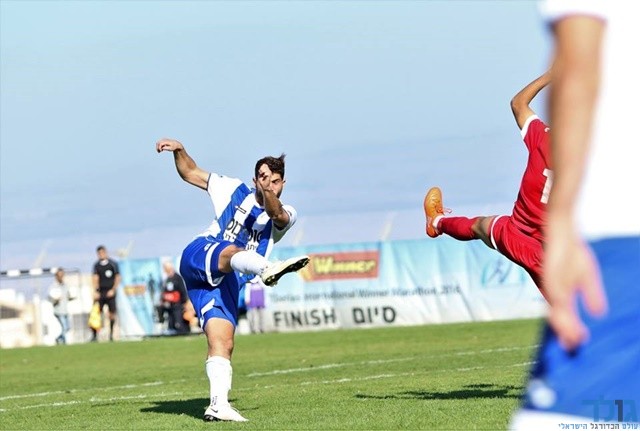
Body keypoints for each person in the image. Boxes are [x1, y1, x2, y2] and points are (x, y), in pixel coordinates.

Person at [510, 3, 640, 428]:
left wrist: (564, 224)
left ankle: (438, 223)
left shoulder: (541, 134)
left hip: (611, 236)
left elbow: (576, 72)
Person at [156, 138, 309, 422]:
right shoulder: (233, 189)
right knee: (232, 250)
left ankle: (218, 405)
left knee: (223, 341)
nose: (269, 184)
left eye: (275, 181)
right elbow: (190, 172)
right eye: (263, 178)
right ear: (254, 179)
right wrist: (179, 150)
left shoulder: (287, 214)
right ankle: (267, 268)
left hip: (228, 281)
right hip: (202, 254)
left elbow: (275, 213)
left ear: (283, 184)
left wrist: (267, 192)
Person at [424, 71, 552, 300]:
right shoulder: (588, 164)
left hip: (537, 248)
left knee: (478, 226)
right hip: (525, 238)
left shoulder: (543, 137)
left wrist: (551, 74)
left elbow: (518, 103)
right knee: (479, 225)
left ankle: (436, 222)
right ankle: (436, 222)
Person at [92, 245, 121, 342]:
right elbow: (95, 278)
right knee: (96, 313)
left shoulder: (112, 264)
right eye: (99, 253)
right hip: (101, 293)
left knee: (112, 313)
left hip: (110, 292)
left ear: (105, 252)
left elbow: (117, 277)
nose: (101, 255)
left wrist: (113, 289)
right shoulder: (96, 265)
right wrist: (96, 291)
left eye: (102, 252)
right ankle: (95, 335)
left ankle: (111, 334)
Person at [160, 261, 190, 334]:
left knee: (179, 322)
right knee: (171, 323)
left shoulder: (177, 278)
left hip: (178, 305)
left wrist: (185, 302)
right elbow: (164, 292)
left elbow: (182, 291)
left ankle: (184, 333)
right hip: (169, 306)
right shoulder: (167, 279)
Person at [48, 268, 75, 345]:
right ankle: (64, 343)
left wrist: (72, 297)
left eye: (62, 275)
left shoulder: (66, 286)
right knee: (64, 327)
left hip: (65, 310)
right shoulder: (53, 287)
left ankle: (58, 338)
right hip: (58, 311)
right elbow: (50, 298)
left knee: (67, 328)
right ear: (56, 276)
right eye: (59, 275)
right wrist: (55, 299)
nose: (61, 277)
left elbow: (69, 297)